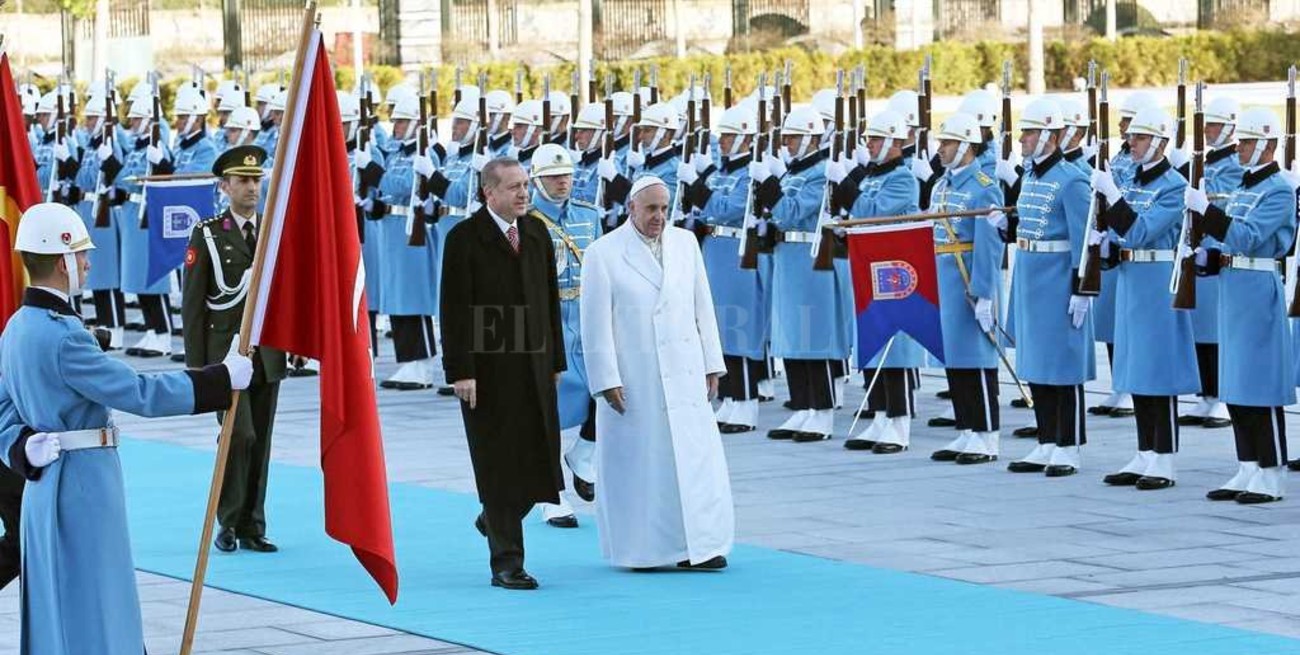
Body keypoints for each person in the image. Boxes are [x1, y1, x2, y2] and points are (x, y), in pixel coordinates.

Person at [0, 201, 251, 654]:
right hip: (82, 483)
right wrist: (220, 379)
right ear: (61, 261)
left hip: (42, 482)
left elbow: (1, 409)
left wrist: (19, 446)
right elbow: (138, 392)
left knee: (58, 598)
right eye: (80, 255)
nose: (88, 262)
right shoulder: (64, 335)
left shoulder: (16, 327)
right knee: (97, 596)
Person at [581, 175, 733, 570]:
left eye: (665, 208)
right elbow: (594, 324)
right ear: (631, 207)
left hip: (685, 372)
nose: (659, 217)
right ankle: (645, 550)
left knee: (694, 460)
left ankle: (702, 545)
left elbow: (704, 306)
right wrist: (605, 379)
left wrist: (712, 363)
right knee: (643, 464)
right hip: (637, 377)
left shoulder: (685, 244)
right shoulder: (604, 253)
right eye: (651, 209)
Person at [440, 158, 566, 590]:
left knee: (540, 459)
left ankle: (494, 517)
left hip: (533, 364)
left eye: (526, 186)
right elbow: (453, 311)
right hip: (487, 372)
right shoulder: (464, 239)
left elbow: (551, 301)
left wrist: (556, 362)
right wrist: (461, 371)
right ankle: (507, 562)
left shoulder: (536, 233)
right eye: (513, 187)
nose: (523, 194)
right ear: (488, 193)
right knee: (498, 466)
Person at [182, 145, 287, 553]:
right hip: (224, 357)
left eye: (256, 180)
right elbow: (193, 306)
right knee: (237, 435)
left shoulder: (272, 232)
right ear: (224, 186)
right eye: (242, 181)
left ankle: (252, 525)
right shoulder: (207, 234)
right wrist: (197, 370)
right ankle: (226, 522)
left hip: (268, 352)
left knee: (260, 440)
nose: (251, 188)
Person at [1189, 108, 1295, 503]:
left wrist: (1208, 212)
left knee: (1259, 381)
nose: (1241, 149)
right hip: (1233, 285)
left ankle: (1271, 471)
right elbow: (1228, 240)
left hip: (1256, 288)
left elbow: (1249, 237)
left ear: (1267, 146)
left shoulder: (1279, 190)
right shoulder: (1245, 187)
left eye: (1248, 143)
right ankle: (1247, 465)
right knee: (1235, 379)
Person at [1092, 106, 1198, 490]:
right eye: (1131, 137)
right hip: (1130, 277)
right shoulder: (1134, 180)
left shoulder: (1173, 186)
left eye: (1138, 137)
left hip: (1156, 280)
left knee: (1159, 368)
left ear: (1160, 142)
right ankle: (1144, 452)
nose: (1130, 143)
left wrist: (1113, 196)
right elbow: (1121, 235)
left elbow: (1139, 231)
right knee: (1136, 364)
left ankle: (1165, 458)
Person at [990, 97, 1094, 478]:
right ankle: (1047, 440)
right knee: (1036, 362)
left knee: (1062, 365)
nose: (1023, 139)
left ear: (1049, 135)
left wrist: (1083, 288)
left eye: (1030, 132)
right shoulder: (1032, 176)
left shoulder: (1072, 179)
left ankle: (1069, 445)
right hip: (1030, 275)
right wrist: (1004, 227)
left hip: (1057, 280)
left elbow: (1084, 239)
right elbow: (1029, 227)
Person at [836, 109, 927, 453]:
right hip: (868, 266)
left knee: (895, 347)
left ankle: (899, 423)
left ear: (892, 141)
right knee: (872, 343)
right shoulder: (872, 176)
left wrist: (849, 190)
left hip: (894, 270)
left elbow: (875, 213)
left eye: (874, 139)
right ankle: (879, 416)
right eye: (868, 139)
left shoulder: (902, 178)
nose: (869, 145)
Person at [925, 111, 1005, 465]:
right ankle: (966, 430)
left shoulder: (984, 186)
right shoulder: (942, 184)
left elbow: (990, 245)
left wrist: (984, 291)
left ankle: (987, 434)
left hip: (968, 278)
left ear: (967, 147)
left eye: (948, 143)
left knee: (977, 357)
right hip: (944, 278)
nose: (941, 149)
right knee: (955, 357)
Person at [529, 143, 602, 525]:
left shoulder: (589, 217)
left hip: (587, 317)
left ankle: (584, 454)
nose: (562, 182)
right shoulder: (526, 222)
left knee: (607, 390)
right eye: (553, 177)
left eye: (567, 175)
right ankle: (551, 494)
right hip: (548, 320)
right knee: (547, 410)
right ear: (536, 181)